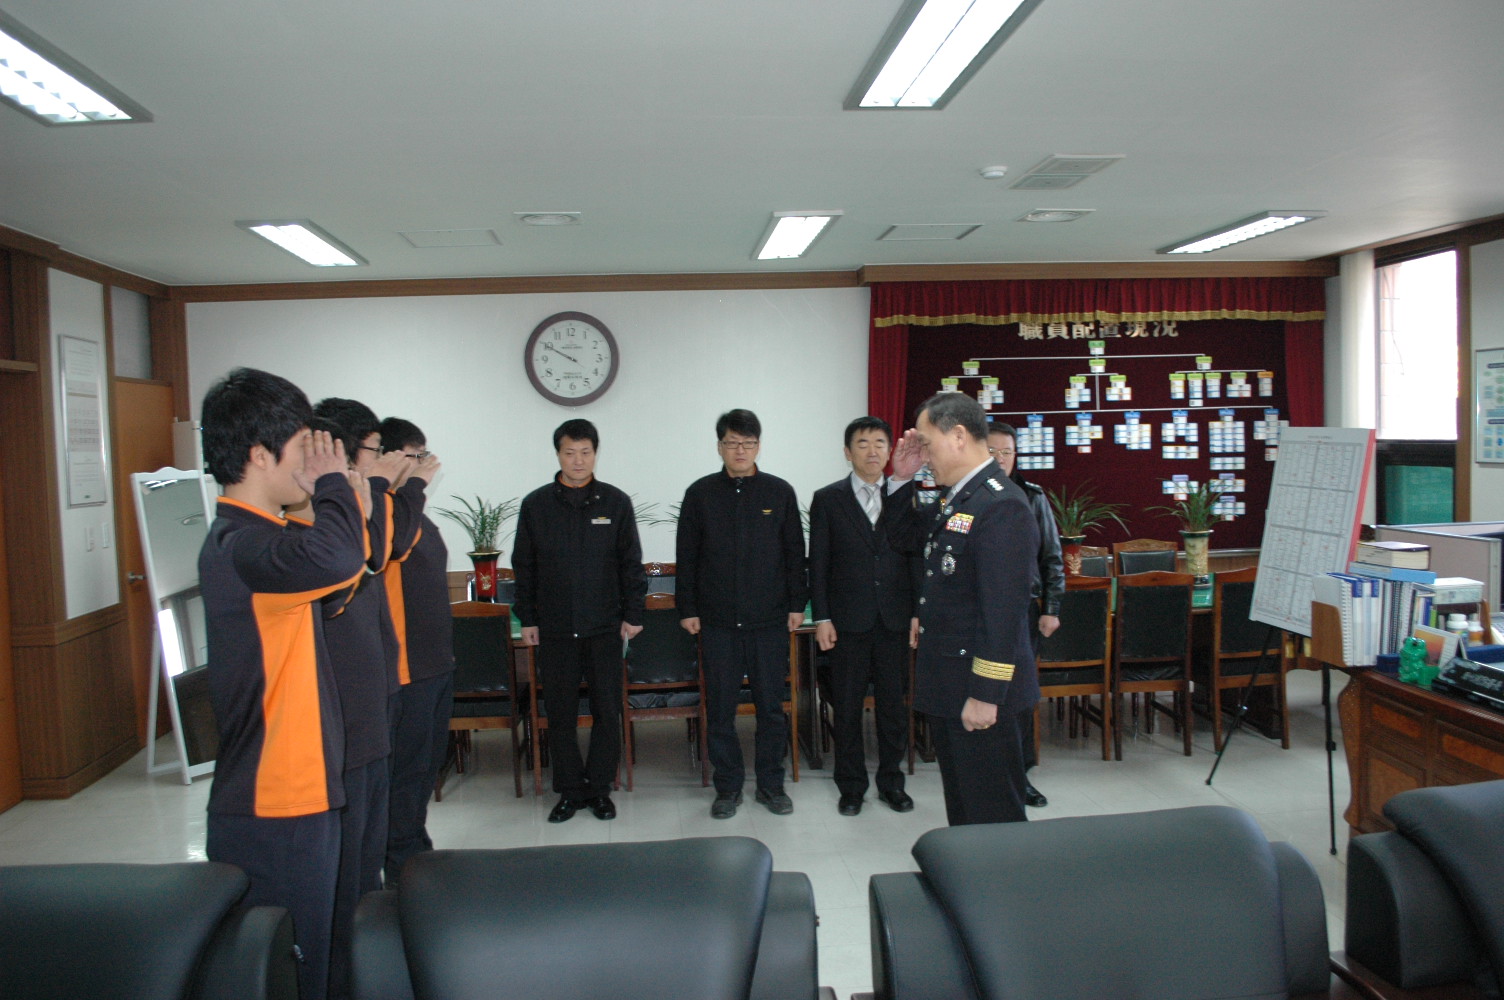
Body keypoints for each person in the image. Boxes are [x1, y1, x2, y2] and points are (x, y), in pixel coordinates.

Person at [198, 368, 368, 1000]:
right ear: (260, 455)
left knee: (318, 957)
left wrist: (341, 502)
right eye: (304, 448)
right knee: (286, 974)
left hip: (299, 791)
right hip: (274, 801)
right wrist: (332, 487)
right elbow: (338, 558)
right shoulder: (242, 547)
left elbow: (339, 583)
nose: (312, 462)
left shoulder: (262, 538)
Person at [889, 392, 1039, 826]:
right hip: (953, 683)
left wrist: (985, 695)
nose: (924, 456)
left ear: (958, 436)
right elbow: (902, 538)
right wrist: (900, 479)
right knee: (966, 811)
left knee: (992, 816)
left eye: (927, 445)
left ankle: (1001, 875)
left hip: (981, 693)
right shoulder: (960, 497)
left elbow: (1004, 614)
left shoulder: (1001, 505)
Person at [309, 398, 415, 1000]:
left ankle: (370, 962)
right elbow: (368, 557)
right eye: (375, 450)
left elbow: (381, 552)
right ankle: (346, 974)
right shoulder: (318, 515)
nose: (383, 459)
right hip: (344, 718)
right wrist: (367, 491)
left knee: (369, 854)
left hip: (376, 700)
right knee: (347, 863)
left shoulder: (356, 504)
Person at [513, 419, 646, 822]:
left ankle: (600, 789)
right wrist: (528, 618)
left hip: (606, 627)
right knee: (560, 714)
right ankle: (570, 791)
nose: (578, 460)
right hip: (554, 628)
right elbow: (524, 566)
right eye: (569, 452)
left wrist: (634, 613)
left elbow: (630, 563)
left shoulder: (615, 503)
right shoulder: (536, 505)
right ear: (558, 454)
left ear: (595, 454)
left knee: (607, 710)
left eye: (585, 452)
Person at [677, 409, 807, 819]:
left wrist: (796, 605)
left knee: (771, 708)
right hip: (717, 622)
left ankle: (771, 785)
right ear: (719, 446)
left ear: (758, 447)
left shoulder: (779, 492)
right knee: (720, 710)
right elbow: (687, 555)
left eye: (748, 444)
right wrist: (688, 609)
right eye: (732, 443)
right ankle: (728, 787)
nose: (740, 451)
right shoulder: (700, 494)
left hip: (769, 621)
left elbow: (794, 553)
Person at [808, 416, 919, 816]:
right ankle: (851, 786)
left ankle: (892, 783)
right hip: (847, 622)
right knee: (847, 708)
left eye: (879, 443)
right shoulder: (828, 499)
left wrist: (916, 613)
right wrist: (822, 617)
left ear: (889, 451)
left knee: (893, 708)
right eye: (862, 443)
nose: (872, 451)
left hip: (894, 619)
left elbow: (914, 557)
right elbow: (818, 563)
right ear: (847, 452)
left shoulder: (905, 493)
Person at [377, 417, 450, 884]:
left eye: (425, 455)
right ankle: (402, 867)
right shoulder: (383, 514)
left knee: (425, 771)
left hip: (435, 666)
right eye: (414, 456)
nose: (424, 465)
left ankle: (415, 850)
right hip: (405, 670)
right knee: (405, 776)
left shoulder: (412, 513)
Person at [986, 421, 1063, 809]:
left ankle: (1022, 775)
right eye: (992, 452)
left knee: (1019, 698)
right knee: (987, 694)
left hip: (1022, 614)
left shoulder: (1032, 497)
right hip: (980, 616)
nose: (1000, 459)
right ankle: (990, 772)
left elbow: (1052, 556)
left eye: (1007, 452)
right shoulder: (964, 496)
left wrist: (1051, 608)